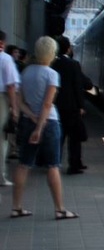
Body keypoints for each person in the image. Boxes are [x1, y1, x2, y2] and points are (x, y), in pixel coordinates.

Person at [11, 36, 78, 220]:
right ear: (52, 53)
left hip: (27, 121)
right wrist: (39, 127)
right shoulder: (52, 74)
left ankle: (16, 207)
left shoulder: (26, 72)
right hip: (49, 124)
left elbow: (19, 101)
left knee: (23, 164)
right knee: (53, 166)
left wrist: (32, 117)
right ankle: (60, 209)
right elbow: (47, 105)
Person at [52, 36, 88, 175]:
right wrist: (81, 106)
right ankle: (74, 165)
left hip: (55, 106)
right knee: (74, 138)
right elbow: (77, 86)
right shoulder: (73, 64)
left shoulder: (52, 63)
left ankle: (54, 164)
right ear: (68, 49)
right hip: (71, 107)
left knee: (58, 137)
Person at [0, 31, 20, 186]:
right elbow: (11, 86)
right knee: (2, 139)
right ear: (2, 43)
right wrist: (14, 107)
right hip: (2, 100)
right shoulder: (5, 59)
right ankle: (1, 176)